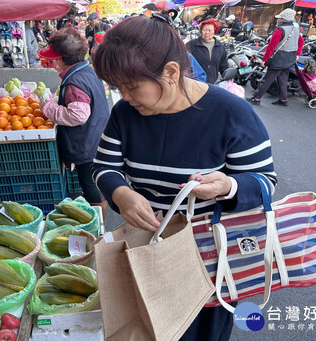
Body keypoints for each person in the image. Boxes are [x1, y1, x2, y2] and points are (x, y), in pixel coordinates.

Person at [91, 14, 276, 341]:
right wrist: (121, 193)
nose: (125, 97)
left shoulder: (231, 114)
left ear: (171, 73)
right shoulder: (125, 113)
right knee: (147, 325)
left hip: (209, 260)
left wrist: (228, 186)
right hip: (147, 249)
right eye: (118, 88)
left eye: (132, 87)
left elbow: (264, 183)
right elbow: (104, 166)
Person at [37, 27, 110, 218]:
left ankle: (100, 218)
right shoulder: (86, 70)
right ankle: (97, 211)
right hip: (95, 137)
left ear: (62, 59)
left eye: (54, 59)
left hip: (86, 143)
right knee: (91, 179)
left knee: (88, 181)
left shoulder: (74, 82)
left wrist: (47, 107)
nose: (52, 63)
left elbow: (78, 115)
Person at [247, 8, 304, 106]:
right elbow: (301, 42)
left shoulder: (279, 30)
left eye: (279, 18)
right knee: (283, 79)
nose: (277, 20)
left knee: (267, 79)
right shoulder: (295, 29)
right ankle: (283, 99)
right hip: (290, 58)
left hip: (279, 58)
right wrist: (298, 54)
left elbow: (271, 47)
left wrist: (264, 60)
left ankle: (256, 97)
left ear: (282, 20)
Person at [186, 19, 229, 84]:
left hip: (212, 85)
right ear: (201, 31)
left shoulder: (220, 47)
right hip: (194, 84)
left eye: (210, 30)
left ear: (214, 31)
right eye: (204, 30)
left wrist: (228, 78)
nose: (207, 33)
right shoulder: (191, 45)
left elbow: (223, 66)